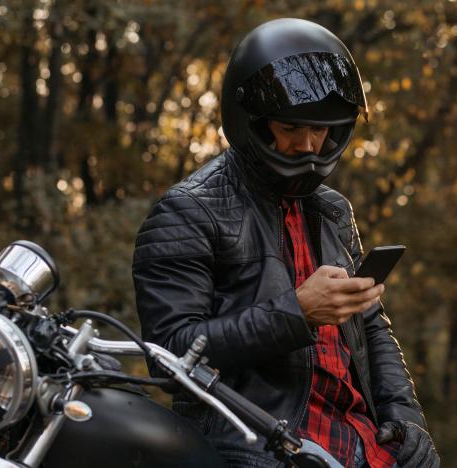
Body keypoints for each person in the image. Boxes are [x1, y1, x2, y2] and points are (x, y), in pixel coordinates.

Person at [133, 18, 439, 468]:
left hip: (360, 437)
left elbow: (372, 329)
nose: (310, 144)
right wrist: (297, 313)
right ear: (252, 121)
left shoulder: (333, 210)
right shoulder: (187, 212)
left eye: (323, 130)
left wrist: (405, 418)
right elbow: (169, 355)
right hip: (262, 442)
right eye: (292, 128)